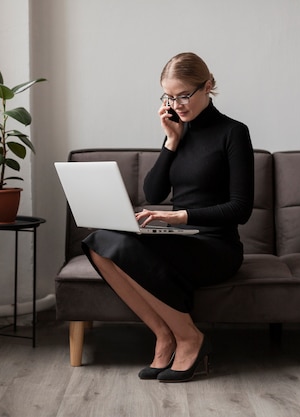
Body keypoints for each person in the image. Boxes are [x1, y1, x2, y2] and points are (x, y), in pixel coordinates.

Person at [82, 52, 254, 382]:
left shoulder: (234, 133)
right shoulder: (177, 131)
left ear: (207, 87)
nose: (177, 104)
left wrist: (179, 219)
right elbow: (155, 191)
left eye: (184, 95)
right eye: (169, 96)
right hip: (181, 239)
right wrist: (171, 142)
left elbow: (240, 209)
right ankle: (163, 333)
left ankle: (190, 337)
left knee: (122, 246)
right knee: (98, 241)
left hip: (216, 247)